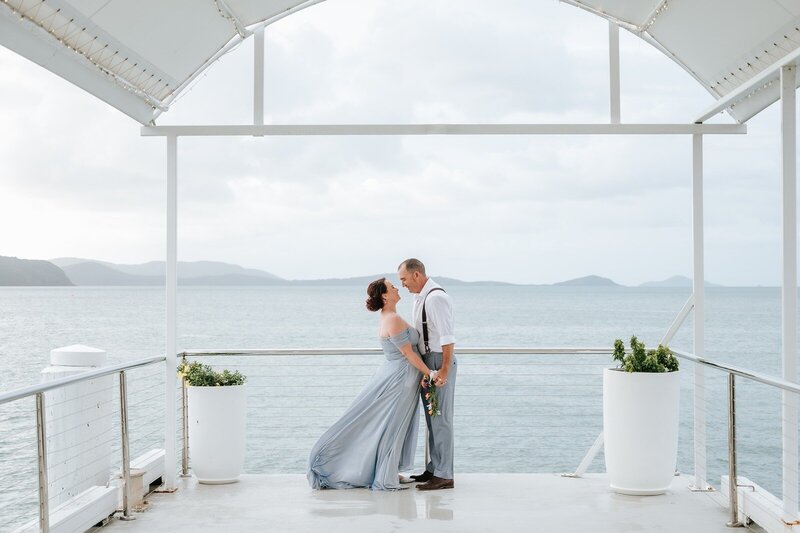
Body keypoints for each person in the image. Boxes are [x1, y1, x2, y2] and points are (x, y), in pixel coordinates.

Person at [307, 277, 438, 490]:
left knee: (394, 424)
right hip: (400, 379)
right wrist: (430, 373)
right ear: (385, 295)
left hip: (403, 377)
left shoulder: (391, 316)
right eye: (392, 286)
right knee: (392, 425)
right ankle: (385, 474)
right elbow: (407, 354)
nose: (396, 287)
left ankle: (390, 469)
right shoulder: (392, 319)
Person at [398, 258, 456, 491]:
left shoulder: (436, 298)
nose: (402, 284)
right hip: (427, 363)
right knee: (433, 419)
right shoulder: (419, 297)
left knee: (441, 418)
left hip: (439, 361)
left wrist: (443, 370)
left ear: (416, 275)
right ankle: (434, 468)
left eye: (403, 279)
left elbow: (447, 337)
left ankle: (444, 475)